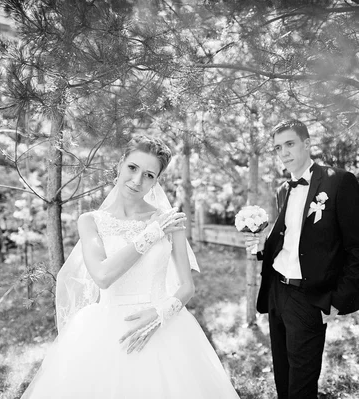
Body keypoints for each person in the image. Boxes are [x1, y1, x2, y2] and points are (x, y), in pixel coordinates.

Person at [22, 135, 240, 399]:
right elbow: (102, 276)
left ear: (156, 181)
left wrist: (160, 314)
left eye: (149, 175)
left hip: (164, 328)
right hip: (106, 328)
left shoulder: (170, 221)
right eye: (133, 168)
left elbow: (187, 286)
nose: (137, 180)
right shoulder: (90, 221)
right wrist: (150, 234)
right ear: (120, 165)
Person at [245, 120, 359, 399]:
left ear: (306, 143)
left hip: (309, 297)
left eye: (289, 144)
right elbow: (291, 242)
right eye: (278, 147)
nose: (284, 152)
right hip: (277, 291)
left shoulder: (339, 181)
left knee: (302, 385)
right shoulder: (283, 190)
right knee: (283, 375)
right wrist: (259, 250)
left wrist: (337, 300)